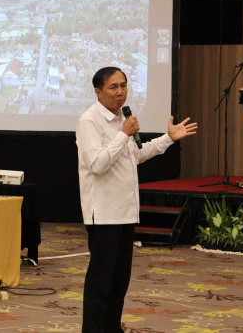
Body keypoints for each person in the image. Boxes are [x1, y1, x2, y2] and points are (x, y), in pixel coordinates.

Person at [76, 67, 197, 332]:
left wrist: (168, 138)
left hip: (126, 211)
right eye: (113, 87)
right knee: (101, 281)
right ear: (98, 92)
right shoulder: (90, 121)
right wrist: (123, 135)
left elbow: (137, 156)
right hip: (105, 212)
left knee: (119, 281)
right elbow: (96, 164)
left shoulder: (123, 118)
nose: (120, 93)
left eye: (124, 86)